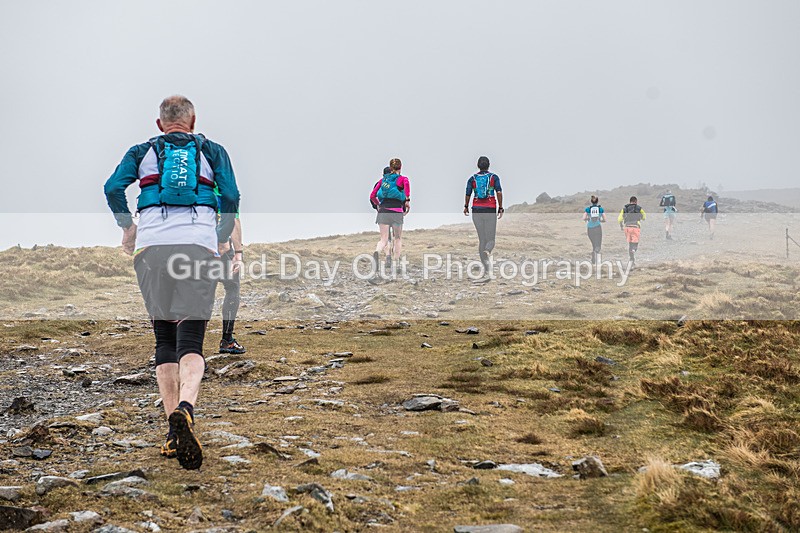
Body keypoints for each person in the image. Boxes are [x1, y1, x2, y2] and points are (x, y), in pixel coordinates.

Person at [104, 95, 240, 470]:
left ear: (160, 123)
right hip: (198, 248)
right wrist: (223, 235)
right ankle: (186, 408)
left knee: (164, 337)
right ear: (193, 120)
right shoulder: (213, 151)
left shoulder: (141, 151)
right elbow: (230, 196)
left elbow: (113, 188)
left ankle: (170, 431)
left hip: (152, 250)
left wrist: (128, 227)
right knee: (191, 338)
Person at [215, 185, 245, 354]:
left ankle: (186, 347)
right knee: (232, 288)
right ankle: (227, 340)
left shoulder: (193, 186)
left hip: (194, 247)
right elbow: (234, 220)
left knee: (197, 295)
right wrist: (238, 253)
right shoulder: (224, 190)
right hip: (223, 250)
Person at [464, 156, 504, 271]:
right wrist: (500, 207)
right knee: (490, 239)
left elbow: (468, 193)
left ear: (478, 165)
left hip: (476, 210)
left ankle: (486, 267)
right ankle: (488, 250)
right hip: (490, 209)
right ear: (489, 165)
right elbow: (499, 192)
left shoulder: (472, 179)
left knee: (482, 239)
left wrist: (466, 206)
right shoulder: (494, 177)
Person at [370, 158, 410, 270]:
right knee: (397, 238)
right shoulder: (403, 179)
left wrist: (379, 206)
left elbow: (372, 196)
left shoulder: (382, 181)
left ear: (390, 168)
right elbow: (406, 190)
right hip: (397, 211)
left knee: (383, 239)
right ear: (400, 167)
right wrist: (407, 202)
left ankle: (377, 251)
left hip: (383, 211)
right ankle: (396, 263)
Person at [618, 196, 646, 265]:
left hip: (627, 227)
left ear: (630, 201)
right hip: (635, 227)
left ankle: (632, 259)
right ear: (636, 201)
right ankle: (634, 250)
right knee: (635, 243)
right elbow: (644, 217)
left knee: (630, 244)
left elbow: (619, 219)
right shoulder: (639, 208)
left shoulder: (624, 209)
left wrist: (621, 226)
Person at [582, 195, 605, 264]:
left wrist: (588, 219)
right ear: (597, 201)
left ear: (591, 201)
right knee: (598, 245)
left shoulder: (588, 209)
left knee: (594, 244)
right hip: (598, 228)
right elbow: (605, 219)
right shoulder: (600, 209)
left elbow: (583, 218)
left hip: (590, 228)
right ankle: (596, 256)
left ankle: (593, 259)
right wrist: (600, 220)